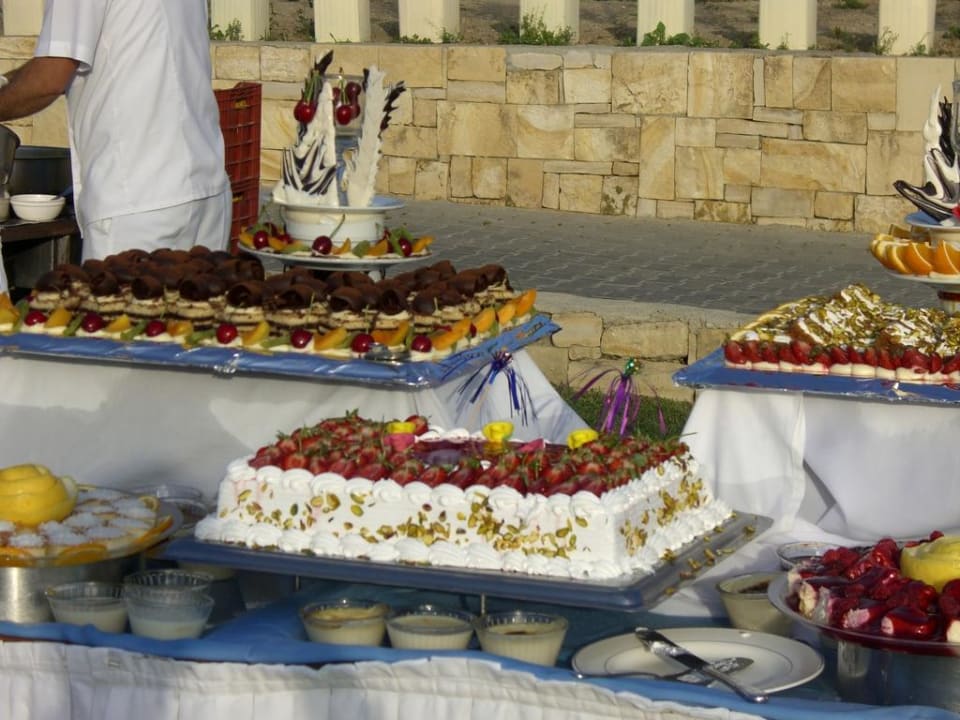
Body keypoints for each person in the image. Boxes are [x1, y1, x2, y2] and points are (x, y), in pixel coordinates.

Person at [0, 0, 231, 263]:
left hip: (136, 203)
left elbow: (49, 78)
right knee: (199, 291)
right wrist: (5, 82)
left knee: (116, 291)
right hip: (206, 191)